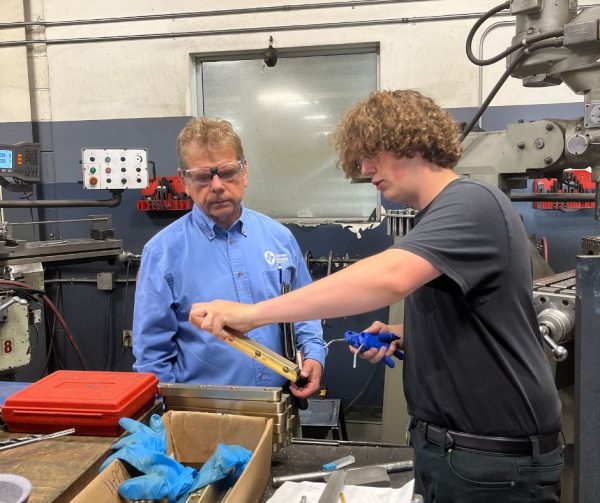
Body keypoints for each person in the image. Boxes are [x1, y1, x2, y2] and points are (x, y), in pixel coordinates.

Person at [188, 90, 563, 503]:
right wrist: (405, 334)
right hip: (456, 453)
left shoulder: (471, 202)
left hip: (491, 462)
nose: (365, 170)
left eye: (371, 155)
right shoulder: (436, 216)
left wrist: (254, 314)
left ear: (409, 141)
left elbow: (390, 278)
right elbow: (475, 320)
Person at [132, 116, 326, 400]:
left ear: (245, 171)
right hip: (203, 413)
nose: (217, 185)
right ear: (184, 180)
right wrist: (169, 415)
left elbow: (305, 307)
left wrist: (314, 355)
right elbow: (152, 355)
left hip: (281, 403)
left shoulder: (279, 238)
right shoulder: (162, 254)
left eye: (227, 172)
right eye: (201, 176)